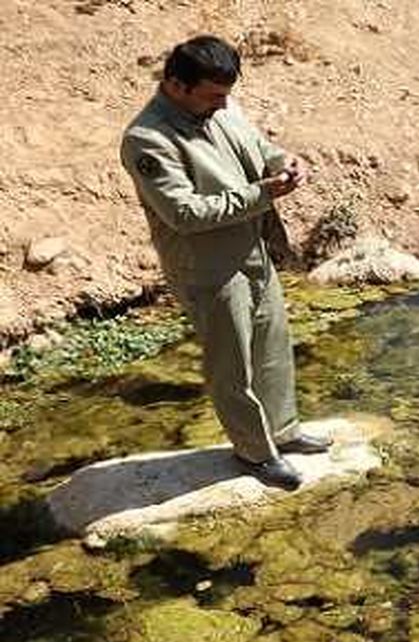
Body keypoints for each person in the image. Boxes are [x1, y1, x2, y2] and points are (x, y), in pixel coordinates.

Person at [120, 35, 329, 490]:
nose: (223, 104)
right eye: (213, 95)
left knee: (272, 347)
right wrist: (264, 194)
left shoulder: (221, 107)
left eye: (226, 94)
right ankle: (255, 454)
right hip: (208, 267)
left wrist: (285, 161)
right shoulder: (146, 139)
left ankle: (283, 431)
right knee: (231, 366)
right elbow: (184, 214)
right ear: (176, 84)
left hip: (253, 251)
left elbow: (257, 146)